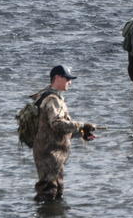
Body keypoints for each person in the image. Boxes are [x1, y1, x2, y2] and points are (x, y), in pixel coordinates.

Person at [30, 64, 97, 203]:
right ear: (57, 78)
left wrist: (81, 133)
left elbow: (58, 129)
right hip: (49, 154)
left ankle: (50, 212)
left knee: (57, 191)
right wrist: (81, 125)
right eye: (67, 79)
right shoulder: (52, 99)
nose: (70, 82)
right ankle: (42, 211)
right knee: (49, 191)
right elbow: (57, 124)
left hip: (54, 154)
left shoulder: (55, 98)